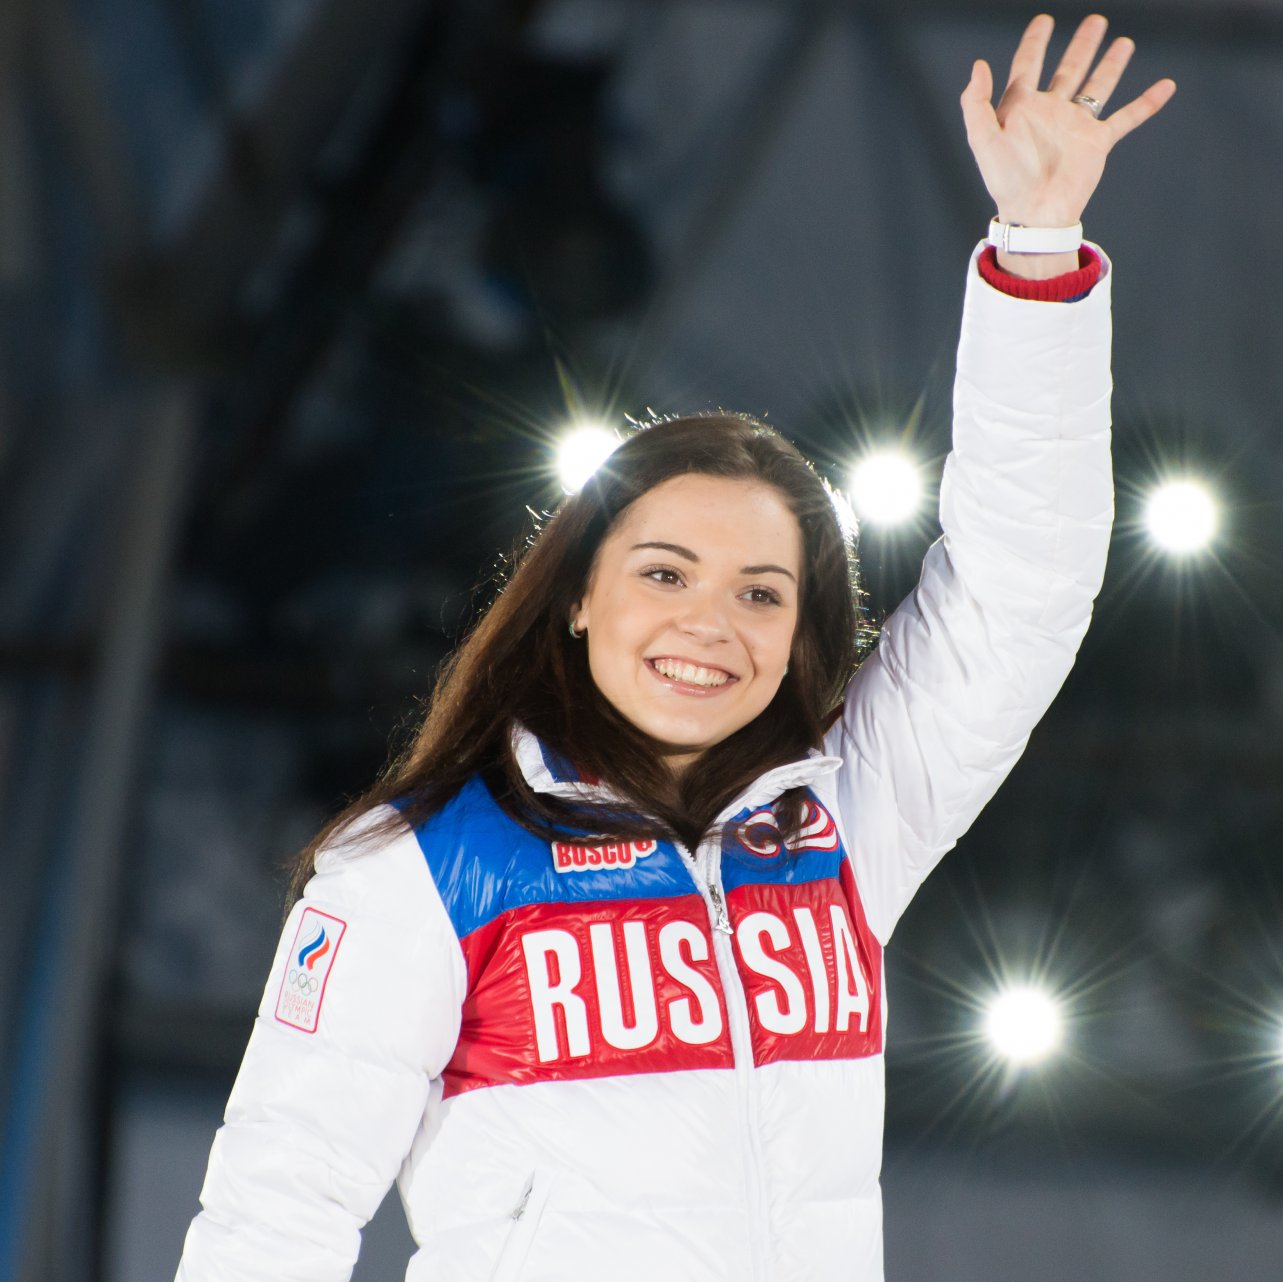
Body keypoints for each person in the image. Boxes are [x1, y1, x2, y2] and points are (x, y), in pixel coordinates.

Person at [174, 13, 1174, 1280]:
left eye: (765, 594)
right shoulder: (427, 863)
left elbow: (1018, 592)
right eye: (665, 572)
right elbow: (279, 1208)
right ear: (577, 597)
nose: (712, 621)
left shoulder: (847, 816)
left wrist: (1037, 247)